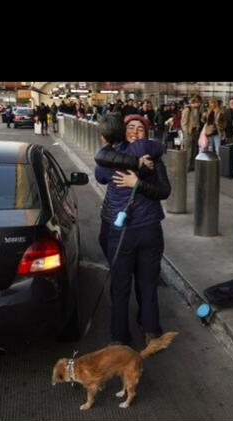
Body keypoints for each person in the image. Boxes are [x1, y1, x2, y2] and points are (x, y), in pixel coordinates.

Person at [94, 114, 171, 346]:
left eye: (140, 128)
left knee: (134, 285)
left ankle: (130, 336)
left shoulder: (113, 158)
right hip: (130, 231)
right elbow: (100, 174)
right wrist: (139, 165)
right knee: (132, 285)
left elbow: (164, 191)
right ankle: (140, 334)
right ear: (122, 131)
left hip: (137, 230)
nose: (136, 132)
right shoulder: (149, 156)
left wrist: (136, 183)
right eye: (131, 127)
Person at [180, 94, 203, 169]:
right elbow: (183, 123)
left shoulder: (196, 109)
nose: (199, 104)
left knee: (194, 148)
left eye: (200, 103)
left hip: (195, 130)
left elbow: (198, 120)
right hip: (189, 131)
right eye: (198, 102)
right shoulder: (187, 109)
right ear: (194, 101)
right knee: (188, 149)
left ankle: (192, 165)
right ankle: (186, 166)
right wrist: (186, 132)